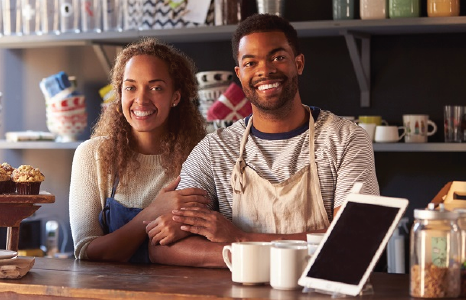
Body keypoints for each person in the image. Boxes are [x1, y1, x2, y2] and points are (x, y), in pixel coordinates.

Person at [145, 13, 380, 267]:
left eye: (278, 58)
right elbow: (162, 247)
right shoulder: (214, 150)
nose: (265, 71)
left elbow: (358, 239)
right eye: (250, 63)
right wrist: (245, 256)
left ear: (298, 63)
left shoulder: (346, 139)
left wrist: (242, 240)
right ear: (239, 73)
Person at [69, 37, 209, 263]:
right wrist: (153, 211)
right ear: (120, 94)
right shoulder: (92, 155)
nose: (141, 100)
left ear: (175, 97)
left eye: (156, 88)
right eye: (131, 87)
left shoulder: (201, 155)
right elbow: (86, 251)